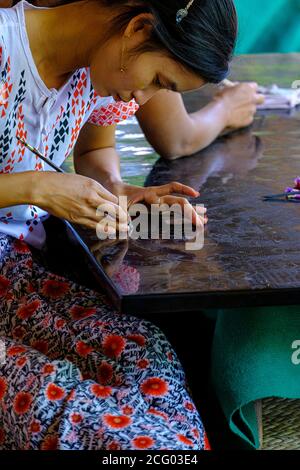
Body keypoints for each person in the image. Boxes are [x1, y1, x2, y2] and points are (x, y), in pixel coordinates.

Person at [0, 0, 243, 451]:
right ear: (138, 27)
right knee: (89, 422)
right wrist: (35, 187)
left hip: (19, 277)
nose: (143, 100)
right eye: (157, 81)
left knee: (148, 362)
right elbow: (38, 185)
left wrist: (118, 192)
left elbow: (93, 155)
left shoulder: (90, 79)